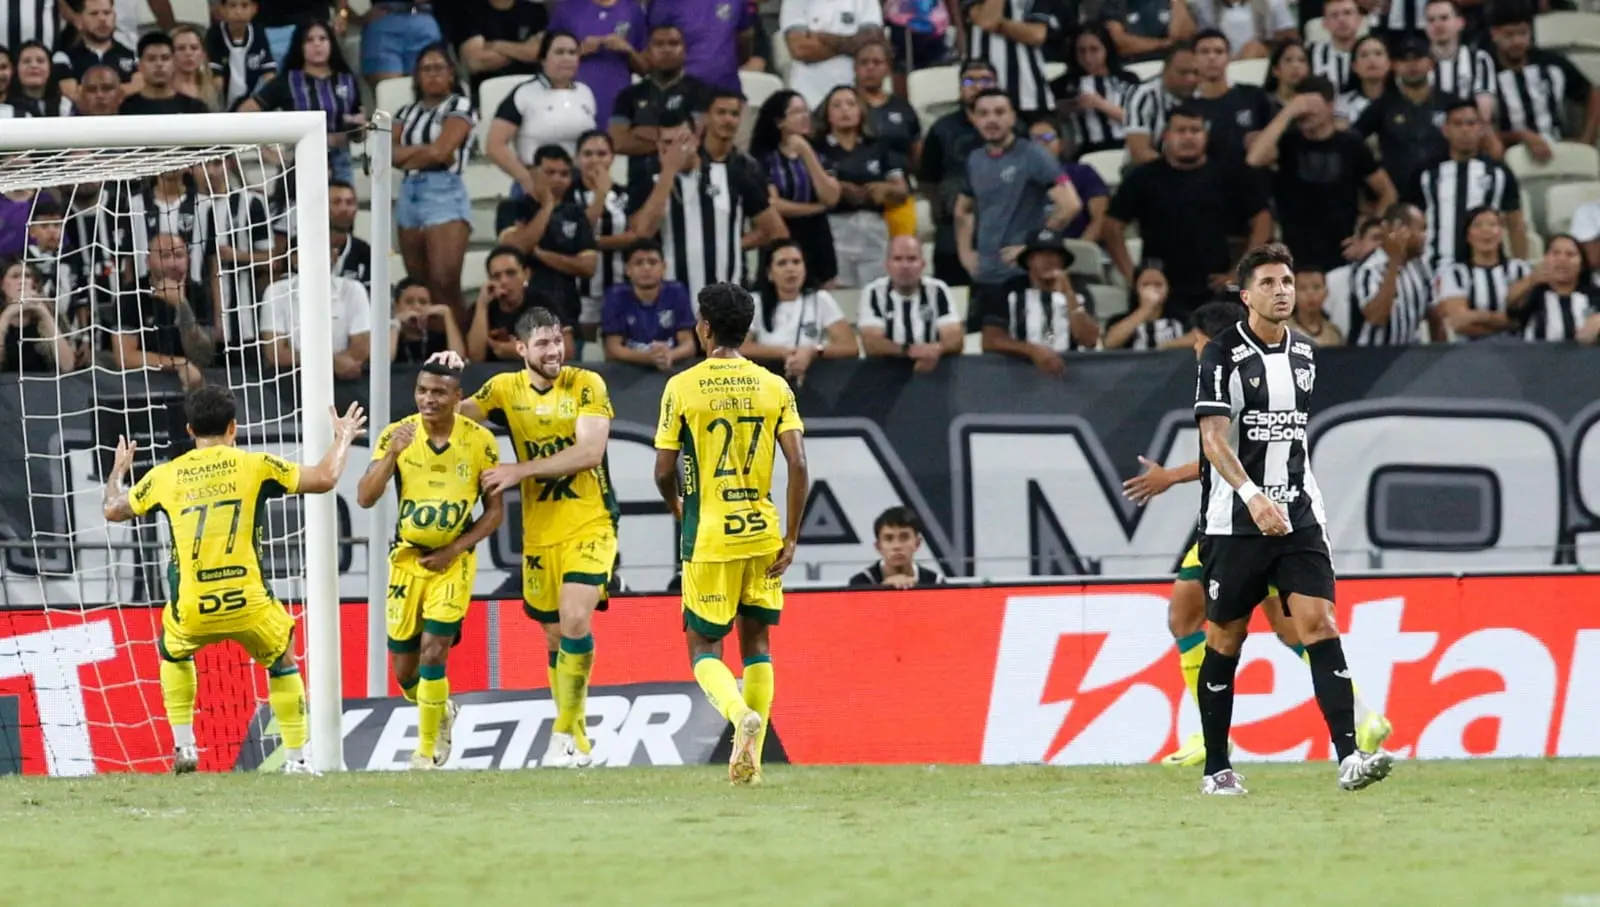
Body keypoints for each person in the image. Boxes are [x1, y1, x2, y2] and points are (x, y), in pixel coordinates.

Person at [1122, 299, 1385, 770]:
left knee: (1193, 618)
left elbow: (1222, 452)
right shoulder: (1254, 366)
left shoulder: (1229, 365)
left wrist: (1169, 477)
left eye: (1199, 342)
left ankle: (1211, 743)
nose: (1197, 351)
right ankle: (1363, 717)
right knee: (1291, 629)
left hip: (1240, 522)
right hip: (1258, 516)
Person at [1190, 243, 1395, 794]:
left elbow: (1290, 438)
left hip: (1298, 516)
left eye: (1287, 281)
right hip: (1234, 521)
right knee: (1226, 639)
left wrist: (1290, 499)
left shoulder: (1305, 354)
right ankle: (1216, 767)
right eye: (1270, 283)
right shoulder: (1221, 356)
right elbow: (1213, 439)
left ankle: (1350, 756)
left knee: (1320, 624)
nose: (1282, 291)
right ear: (1245, 295)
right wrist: (1253, 496)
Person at [101, 388, 368, 775]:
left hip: (193, 605)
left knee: (172, 652)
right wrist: (342, 438)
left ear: (190, 429)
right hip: (249, 603)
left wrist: (118, 473)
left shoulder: (165, 475)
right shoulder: (255, 465)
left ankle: (185, 746)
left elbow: (112, 509)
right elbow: (325, 478)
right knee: (283, 659)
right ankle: (297, 759)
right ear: (233, 427)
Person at [435, 309, 617, 768]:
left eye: (558, 341)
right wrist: (442, 374)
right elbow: (447, 417)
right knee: (556, 639)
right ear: (520, 350)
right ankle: (576, 741)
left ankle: (561, 736)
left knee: (577, 618)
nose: (554, 351)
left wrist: (520, 470)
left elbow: (590, 451)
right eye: (542, 344)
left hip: (589, 521)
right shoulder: (503, 389)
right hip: (539, 534)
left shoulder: (586, 384)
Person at [652, 281, 810, 785]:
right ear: (747, 329)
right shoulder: (774, 386)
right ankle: (755, 763)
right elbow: (799, 464)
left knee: (702, 646)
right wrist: (792, 536)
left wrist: (677, 505)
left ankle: (739, 714)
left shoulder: (682, 386)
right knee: (757, 642)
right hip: (762, 533)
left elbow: (662, 469)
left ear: (703, 327)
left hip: (710, 535)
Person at [356, 363, 504, 770]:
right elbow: (365, 497)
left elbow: (494, 514)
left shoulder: (480, 441)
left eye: (439, 392)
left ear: (458, 398)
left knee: (434, 652)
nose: (428, 399)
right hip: (408, 559)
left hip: (452, 563)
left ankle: (426, 751)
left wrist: (455, 549)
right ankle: (440, 712)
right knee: (406, 673)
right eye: (422, 390)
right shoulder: (397, 435)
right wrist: (391, 456)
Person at [206, 0, 276, 111]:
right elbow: (215, 78)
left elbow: (269, 73)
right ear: (222, 9)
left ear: (254, 9)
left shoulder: (258, 32)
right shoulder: (215, 34)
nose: (238, 12)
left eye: (244, 6)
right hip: (221, 103)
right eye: (232, 6)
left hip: (251, 103)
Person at [848, 506, 942, 587]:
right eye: (889, 538)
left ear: (917, 543)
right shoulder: (861, 583)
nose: (897, 546)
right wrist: (884, 590)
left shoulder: (935, 582)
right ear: (878, 546)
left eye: (904, 537)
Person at [121, 32, 211, 115]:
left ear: (174, 63)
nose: (159, 64)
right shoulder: (127, 108)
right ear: (139, 66)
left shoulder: (194, 109)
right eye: (151, 59)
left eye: (165, 58)